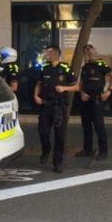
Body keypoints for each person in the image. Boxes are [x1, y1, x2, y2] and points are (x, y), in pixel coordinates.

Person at [34, 45, 79, 173]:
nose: (47, 55)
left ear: (56, 54)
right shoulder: (44, 68)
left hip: (59, 106)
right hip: (45, 105)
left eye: (49, 53)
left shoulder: (65, 68)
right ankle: (46, 149)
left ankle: (57, 163)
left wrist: (64, 88)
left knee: (59, 135)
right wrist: (35, 95)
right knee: (43, 131)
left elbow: (77, 87)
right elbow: (39, 84)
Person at [76, 44, 112, 160]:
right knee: (86, 126)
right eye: (86, 51)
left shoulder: (100, 64)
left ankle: (103, 152)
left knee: (99, 126)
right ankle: (87, 150)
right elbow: (81, 83)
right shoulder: (85, 67)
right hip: (85, 100)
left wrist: (109, 90)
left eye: (90, 50)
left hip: (97, 99)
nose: (88, 53)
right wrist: (81, 93)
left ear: (94, 52)